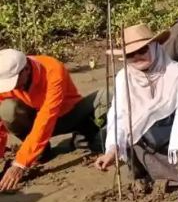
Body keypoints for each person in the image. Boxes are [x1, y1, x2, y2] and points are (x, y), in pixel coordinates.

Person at [93, 24, 178, 183]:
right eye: (131, 54)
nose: (137, 56)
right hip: (146, 131)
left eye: (143, 50)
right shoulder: (123, 77)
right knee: (129, 135)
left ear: (154, 47)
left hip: (175, 123)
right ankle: (164, 176)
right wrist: (112, 150)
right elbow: (119, 115)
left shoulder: (176, 71)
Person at [0, 49, 105, 191]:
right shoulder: (5, 75)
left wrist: (20, 164)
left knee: (108, 95)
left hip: (67, 114)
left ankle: (84, 134)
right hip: (35, 119)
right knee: (8, 109)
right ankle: (41, 152)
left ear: (25, 69)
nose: (13, 88)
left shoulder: (52, 70)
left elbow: (46, 119)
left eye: (14, 82)